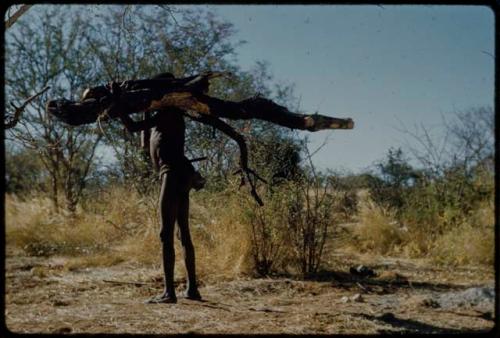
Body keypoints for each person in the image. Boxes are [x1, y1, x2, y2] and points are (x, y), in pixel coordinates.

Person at [108, 78, 204, 304]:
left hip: (172, 173)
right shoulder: (161, 117)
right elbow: (144, 144)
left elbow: (131, 128)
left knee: (165, 233)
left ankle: (169, 292)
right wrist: (140, 109)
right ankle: (192, 289)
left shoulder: (168, 112)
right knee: (183, 233)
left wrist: (117, 102)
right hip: (180, 174)